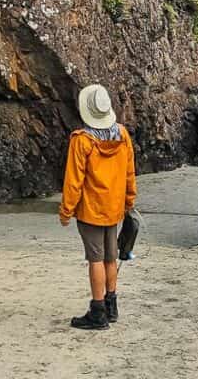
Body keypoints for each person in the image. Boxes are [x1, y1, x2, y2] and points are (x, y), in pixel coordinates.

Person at [58, 83, 137, 330]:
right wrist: (129, 200)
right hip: (114, 207)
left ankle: (98, 311)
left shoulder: (81, 141)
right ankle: (112, 304)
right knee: (111, 257)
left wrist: (66, 210)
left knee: (95, 259)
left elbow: (74, 180)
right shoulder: (122, 135)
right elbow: (129, 172)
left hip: (91, 209)